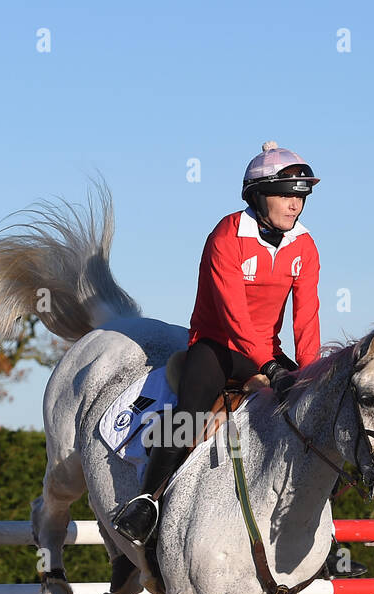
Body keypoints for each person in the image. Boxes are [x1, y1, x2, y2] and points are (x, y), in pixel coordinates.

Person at [111, 141, 322, 547]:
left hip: (266, 351)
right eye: (285, 195)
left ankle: (312, 529)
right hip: (217, 345)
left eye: (300, 197)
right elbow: (233, 315)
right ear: (257, 196)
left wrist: (308, 373)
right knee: (191, 412)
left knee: (310, 416)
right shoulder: (226, 235)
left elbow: (307, 318)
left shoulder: (305, 246)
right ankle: (145, 503)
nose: (294, 205)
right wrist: (270, 366)